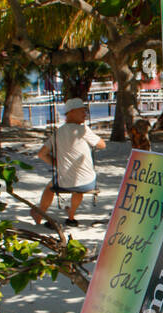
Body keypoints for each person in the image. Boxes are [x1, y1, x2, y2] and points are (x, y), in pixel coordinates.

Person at [31, 97, 106, 226]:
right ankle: (71, 216)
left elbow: (41, 154)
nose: (85, 114)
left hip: (65, 182)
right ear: (71, 112)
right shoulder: (83, 130)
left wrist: (56, 163)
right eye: (81, 111)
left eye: (85, 111)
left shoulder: (58, 132)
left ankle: (40, 212)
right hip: (88, 183)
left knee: (50, 187)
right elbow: (102, 145)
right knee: (79, 187)